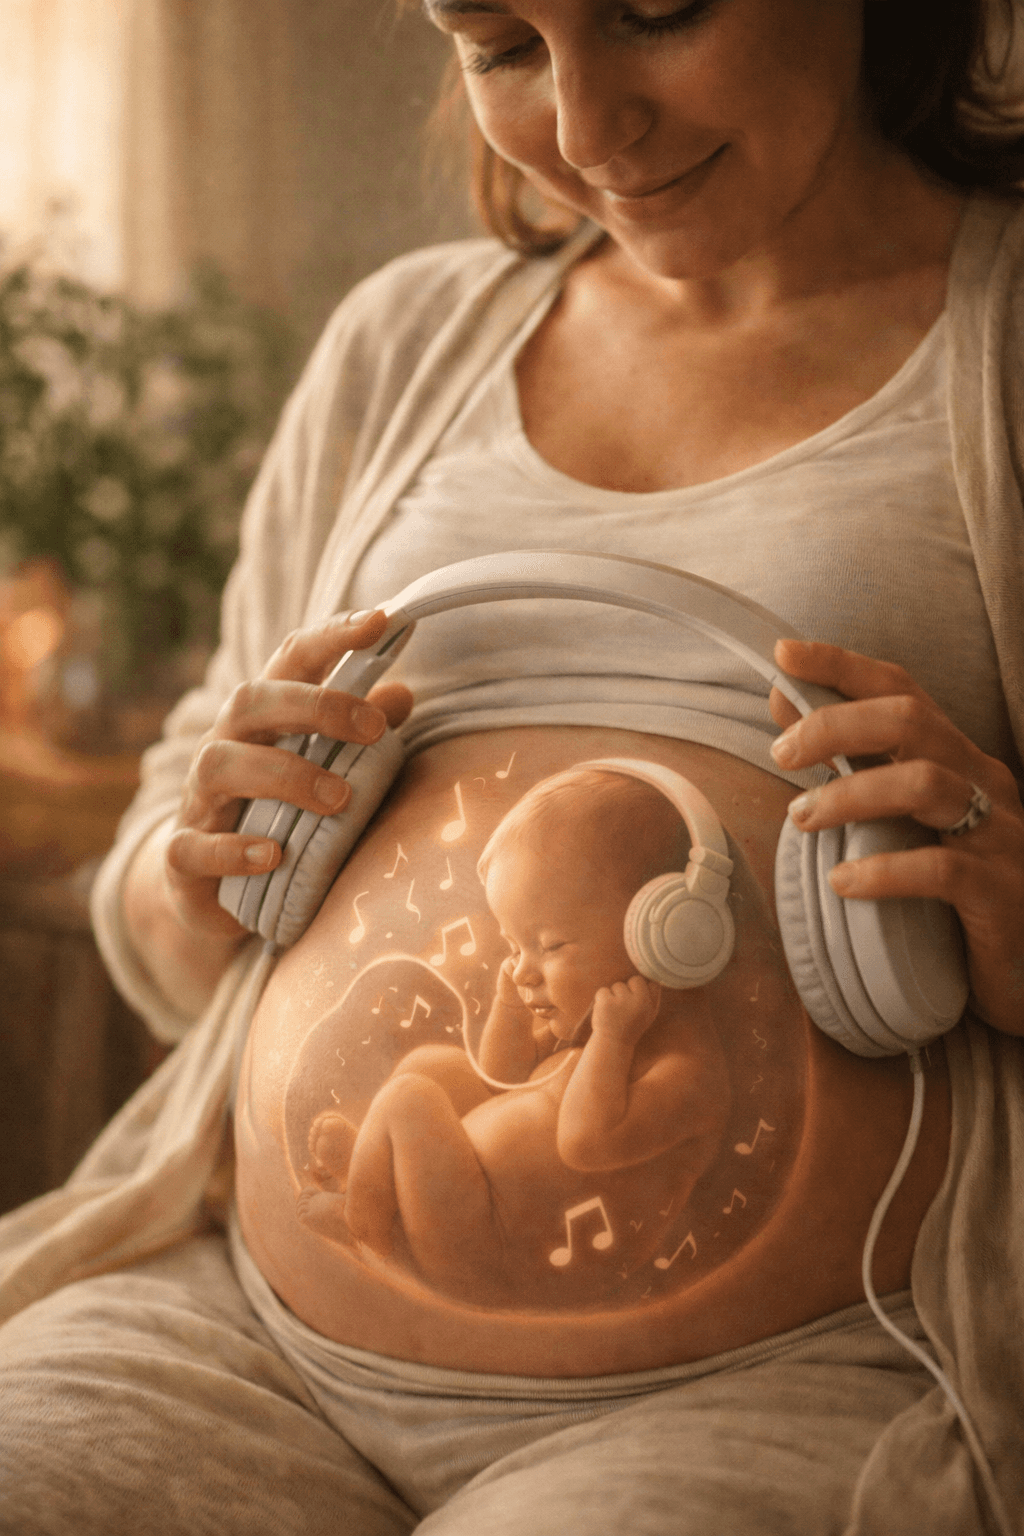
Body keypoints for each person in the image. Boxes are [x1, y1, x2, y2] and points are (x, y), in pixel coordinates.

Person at [2, 2, 1024, 1533]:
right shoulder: (403, 344)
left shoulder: (1002, 342)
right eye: (500, 44)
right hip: (235, 1342)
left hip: (788, 1391)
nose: (588, 122)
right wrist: (196, 867)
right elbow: (165, 883)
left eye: (658, 8)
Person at [295, 766, 730, 1307]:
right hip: (468, 1210)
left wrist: (613, 1041)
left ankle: (367, 1223)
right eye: (514, 945)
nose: (524, 970)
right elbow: (499, 1079)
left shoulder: (686, 1073)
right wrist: (509, 1006)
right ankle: (377, 1181)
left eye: (548, 947)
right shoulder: (588, 1028)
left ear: (664, 935)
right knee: (437, 1067)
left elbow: (584, 1142)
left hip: (501, 1256)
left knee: (410, 1101)